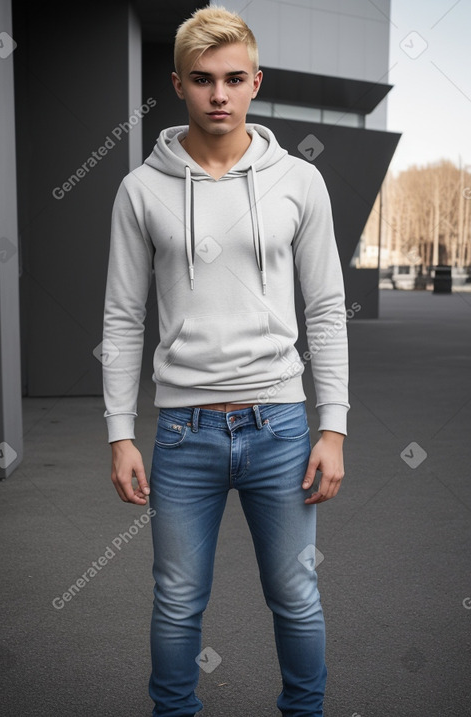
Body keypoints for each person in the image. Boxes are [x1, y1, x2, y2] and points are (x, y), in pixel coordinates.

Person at [102, 6, 349, 716]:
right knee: (177, 600)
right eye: (203, 79)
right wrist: (121, 433)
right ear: (177, 83)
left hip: (281, 426)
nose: (220, 94)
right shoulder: (141, 190)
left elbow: (326, 308)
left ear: (255, 82)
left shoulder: (299, 182)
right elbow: (121, 317)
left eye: (234, 79)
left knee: (297, 592)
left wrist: (332, 427)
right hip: (184, 432)